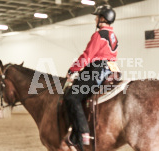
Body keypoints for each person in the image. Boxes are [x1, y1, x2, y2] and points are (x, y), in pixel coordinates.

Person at [64, 4, 118, 150]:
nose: (95, 19)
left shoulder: (99, 35)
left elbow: (87, 56)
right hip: (110, 70)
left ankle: (82, 132)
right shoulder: (113, 37)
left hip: (97, 70)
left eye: (97, 16)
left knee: (72, 97)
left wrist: (72, 70)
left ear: (102, 18)